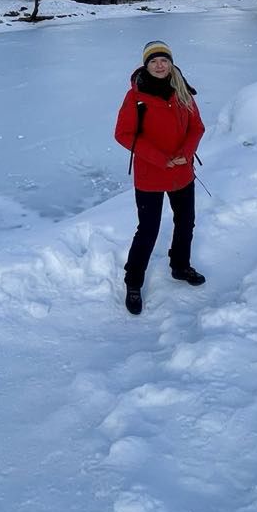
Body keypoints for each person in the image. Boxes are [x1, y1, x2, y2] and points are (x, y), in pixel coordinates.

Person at [114, 40, 206, 315]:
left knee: (185, 221)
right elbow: (123, 134)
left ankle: (179, 266)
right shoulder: (135, 97)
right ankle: (133, 282)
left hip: (181, 170)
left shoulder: (182, 91)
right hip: (151, 173)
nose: (159, 65)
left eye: (163, 60)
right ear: (146, 64)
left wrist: (186, 153)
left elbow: (197, 127)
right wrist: (158, 158)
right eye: (153, 61)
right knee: (148, 229)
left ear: (170, 62)